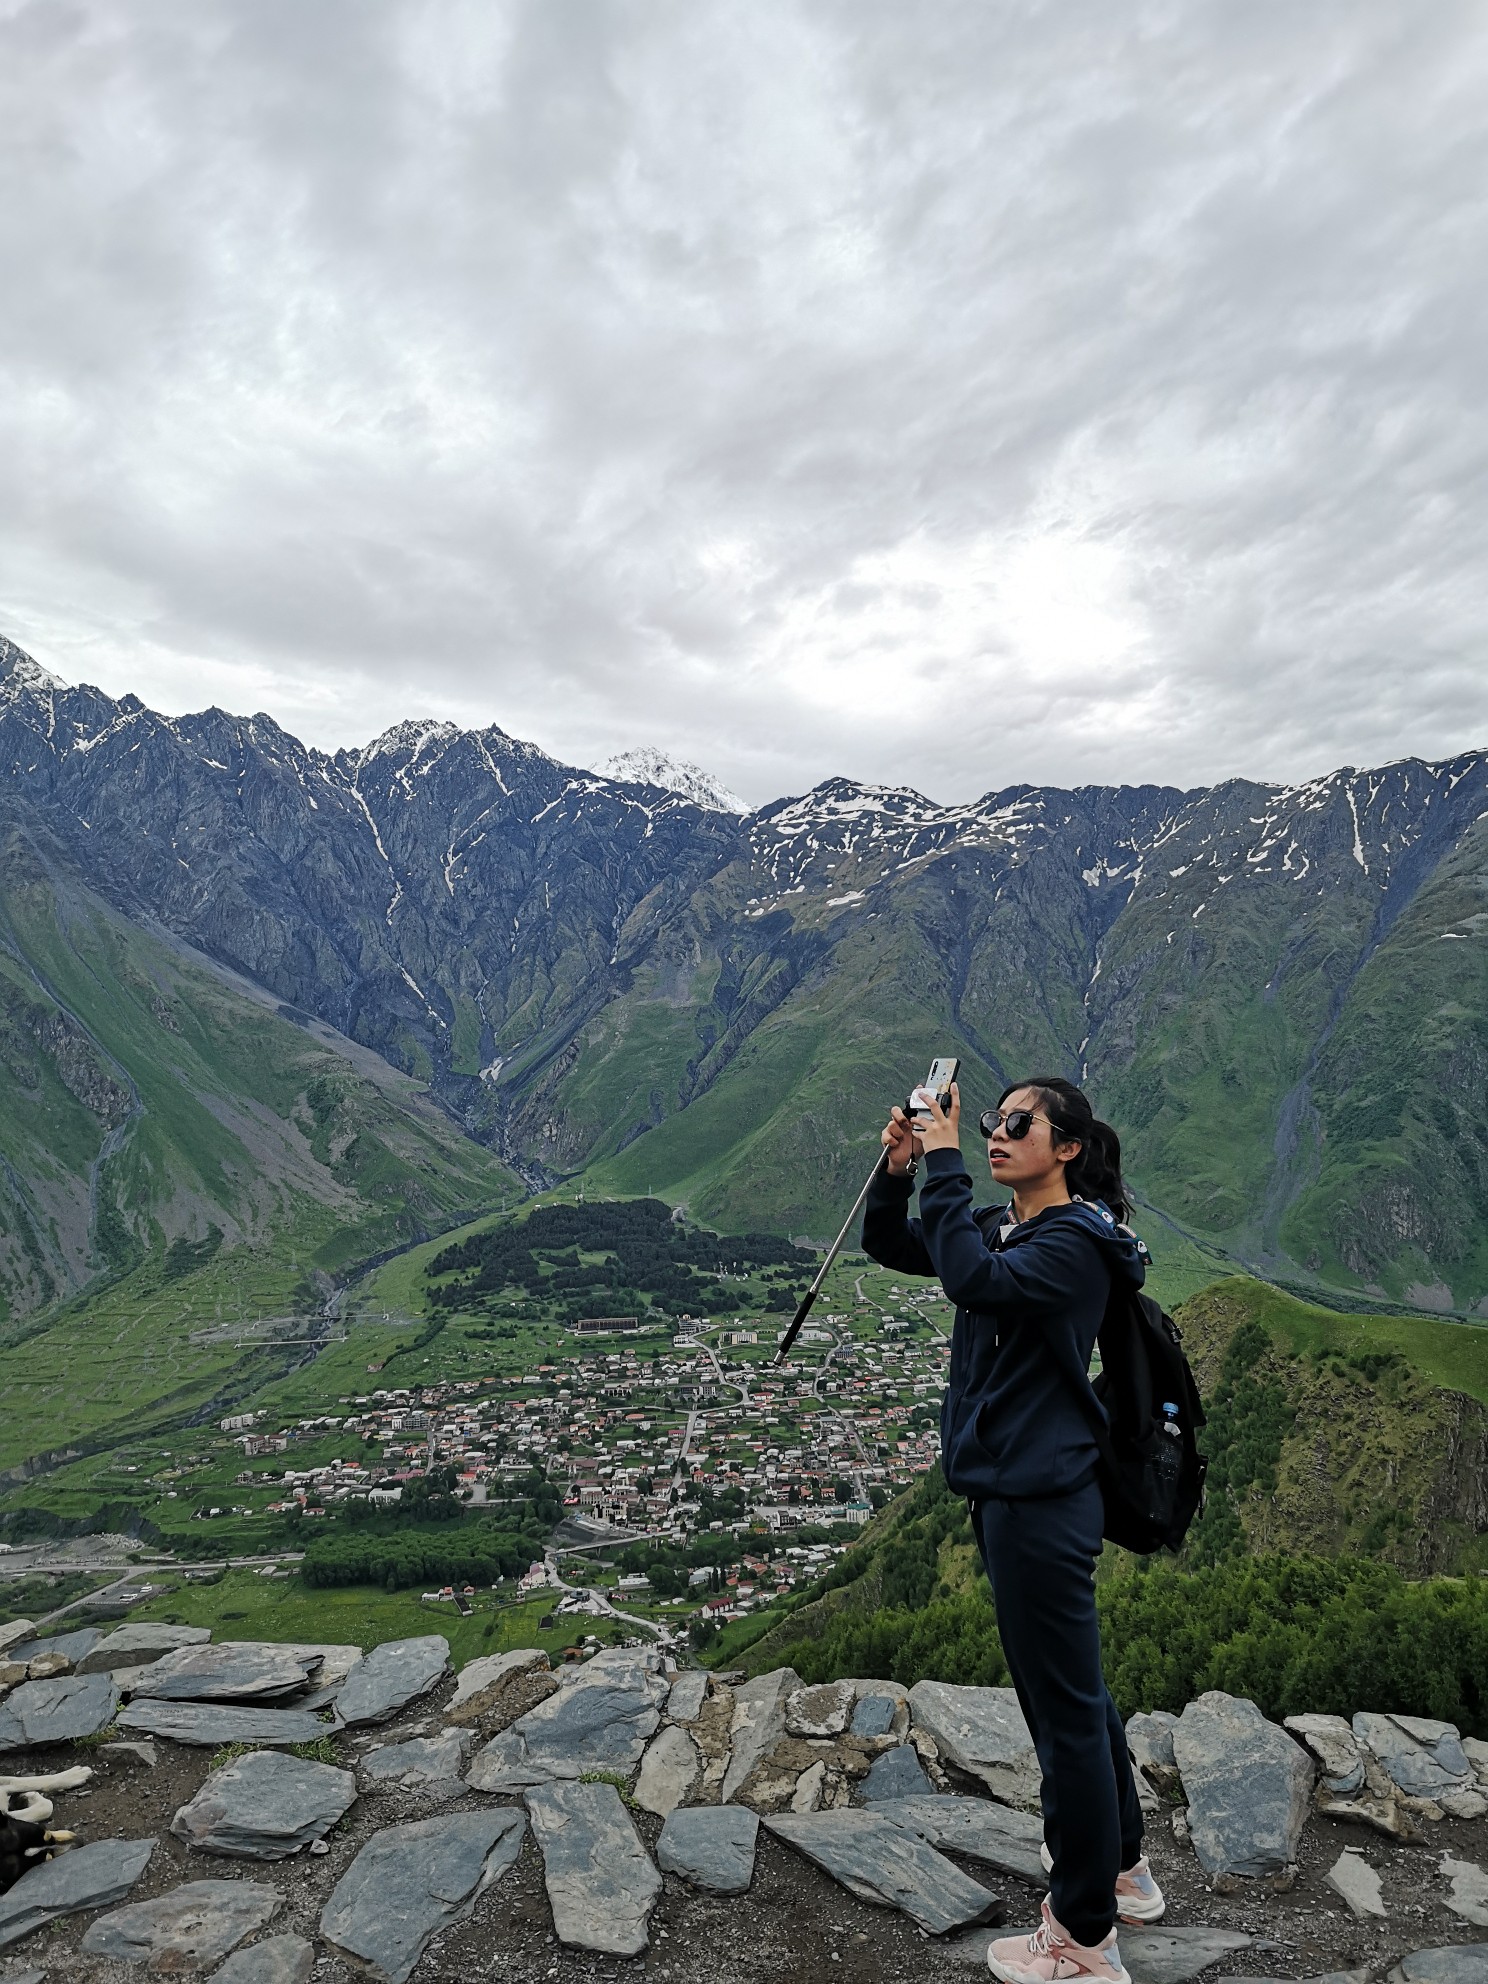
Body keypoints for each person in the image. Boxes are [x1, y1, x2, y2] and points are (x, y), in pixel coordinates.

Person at [862, 1075, 1163, 1984]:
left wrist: (945, 1158)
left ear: (1067, 1148)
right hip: (1022, 1489)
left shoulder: (1072, 1245)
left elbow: (971, 1281)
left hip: (1038, 1501)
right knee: (1077, 1698)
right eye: (991, 1119)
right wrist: (899, 1171)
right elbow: (893, 1246)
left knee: (1062, 1717)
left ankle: (1081, 1939)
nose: (996, 1131)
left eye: (1016, 1123)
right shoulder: (1012, 1228)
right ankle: (1122, 1870)